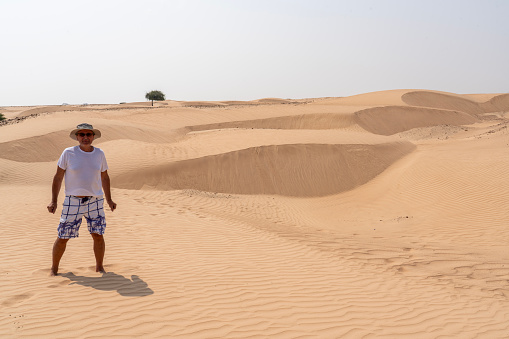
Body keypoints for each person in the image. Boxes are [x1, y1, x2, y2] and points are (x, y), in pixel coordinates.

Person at [47, 123, 117, 276]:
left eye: (88, 134)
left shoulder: (99, 154)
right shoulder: (68, 153)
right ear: (77, 137)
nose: (85, 137)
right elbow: (58, 177)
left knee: (98, 234)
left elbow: (104, 177)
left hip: (95, 201)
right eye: (82, 134)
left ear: (93, 137)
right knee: (63, 235)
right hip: (73, 201)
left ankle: (99, 267)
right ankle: (54, 269)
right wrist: (54, 201)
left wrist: (109, 200)